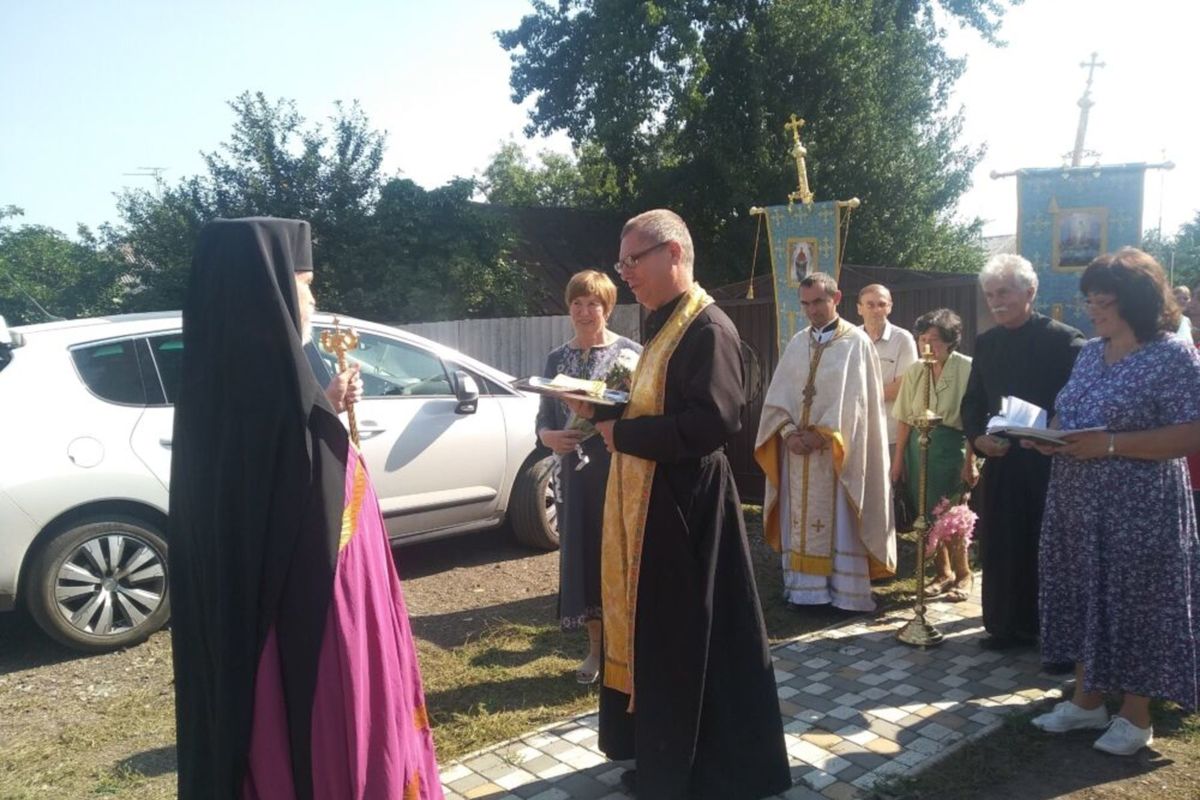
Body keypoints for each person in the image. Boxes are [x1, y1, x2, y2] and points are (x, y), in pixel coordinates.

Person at [169, 218, 442, 799]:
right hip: (313, 647)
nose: (314, 298)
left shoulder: (219, 401)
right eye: (305, 282)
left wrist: (325, 403)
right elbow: (307, 516)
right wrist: (319, 422)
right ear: (266, 289)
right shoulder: (272, 415)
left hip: (272, 637)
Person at [568, 209, 789, 800]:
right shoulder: (665, 323)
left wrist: (626, 436)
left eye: (632, 261)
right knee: (663, 638)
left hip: (688, 507)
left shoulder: (707, 327)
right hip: (657, 504)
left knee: (688, 640)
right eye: (623, 263)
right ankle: (667, 757)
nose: (626, 273)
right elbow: (656, 405)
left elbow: (715, 422)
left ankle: (703, 769)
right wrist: (607, 411)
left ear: (673, 254)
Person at [1028, 248, 1200, 756]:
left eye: (1103, 302)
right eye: (1090, 301)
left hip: (1140, 510)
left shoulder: (1171, 355)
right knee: (1083, 592)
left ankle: (1137, 715)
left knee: (1138, 602)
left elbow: (1191, 432)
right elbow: (1070, 416)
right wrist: (1048, 437)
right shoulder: (1088, 352)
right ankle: (1087, 701)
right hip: (1077, 502)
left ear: (1137, 302)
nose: (1092, 311)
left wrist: (1109, 444)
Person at [961, 254, 1084, 651]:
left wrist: (1056, 430)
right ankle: (1004, 626)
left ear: (1030, 292)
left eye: (1004, 292)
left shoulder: (1065, 341)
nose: (996, 301)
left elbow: (1081, 401)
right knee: (1003, 542)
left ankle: (1050, 629)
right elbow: (973, 401)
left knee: (1046, 545)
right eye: (990, 294)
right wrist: (978, 438)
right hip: (1002, 459)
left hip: (1051, 463)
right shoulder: (987, 342)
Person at [756, 272, 896, 612]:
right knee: (800, 519)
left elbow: (858, 402)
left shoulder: (855, 342)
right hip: (796, 453)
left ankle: (843, 594)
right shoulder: (797, 342)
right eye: (805, 303)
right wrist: (788, 433)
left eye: (818, 301)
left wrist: (822, 433)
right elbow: (779, 397)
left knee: (839, 522)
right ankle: (805, 593)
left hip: (835, 452)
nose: (811, 310)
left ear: (836, 298)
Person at [536, 270, 641, 685]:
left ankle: (629, 646)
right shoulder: (555, 359)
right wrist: (548, 437)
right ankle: (596, 651)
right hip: (573, 477)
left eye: (592, 303)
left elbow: (641, 413)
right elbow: (542, 420)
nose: (584, 312)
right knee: (585, 557)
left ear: (608, 307)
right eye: (577, 304)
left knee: (622, 554)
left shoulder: (630, 354)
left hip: (617, 469)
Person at [890, 309, 976, 601]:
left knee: (952, 514)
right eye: (922, 339)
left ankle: (964, 574)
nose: (927, 345)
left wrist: (971, 462)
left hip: (953, 449)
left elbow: (975, 419)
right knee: (925, 515)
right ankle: (942, 572)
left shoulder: (967, 368)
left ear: (951, 341)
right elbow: (903, 417)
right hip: (917, 450)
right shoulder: (915, 370)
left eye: (935, 340)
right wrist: (898, 459)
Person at [857, 283, 918, 458]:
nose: (876, 310)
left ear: (890, 307)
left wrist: (858, 397)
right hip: (856, 433)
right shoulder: (849, 340)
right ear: (859, 309)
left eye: (882, 304)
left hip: (890, 436)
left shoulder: (903, 340)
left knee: (890, 485)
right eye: (870, 305)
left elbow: (902, 388)